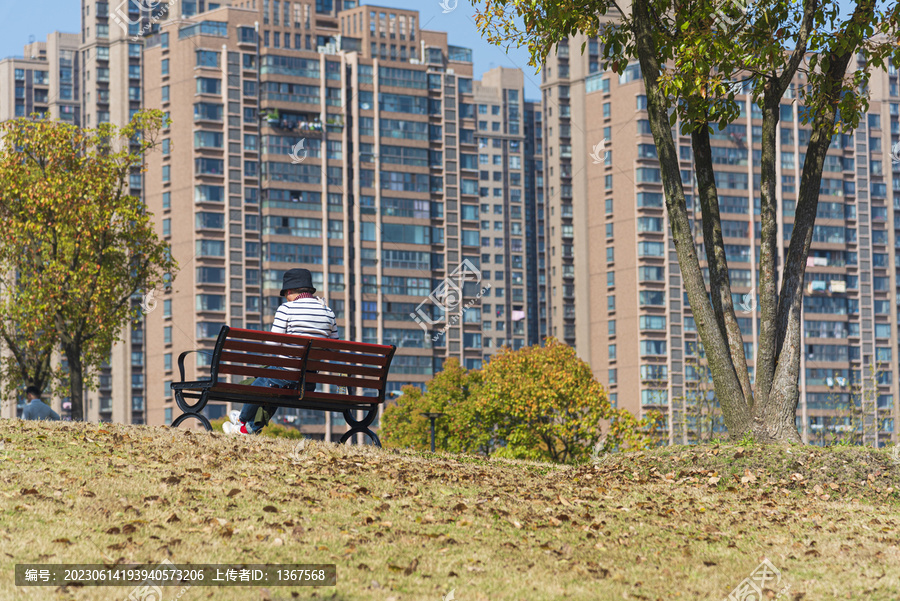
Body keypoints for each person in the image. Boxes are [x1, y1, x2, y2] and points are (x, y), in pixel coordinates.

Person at [224, 268, 338, 435]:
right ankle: (246, 426)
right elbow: (333, 347)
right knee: (270, 379)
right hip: (309, 380)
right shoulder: (329, 312)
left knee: (266, 379)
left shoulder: (287, 309)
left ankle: (242, 422)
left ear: (290, 291)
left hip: (286, 373)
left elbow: (272, 344)